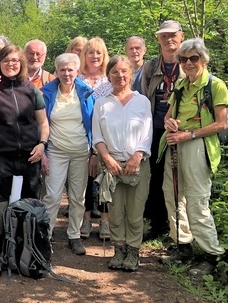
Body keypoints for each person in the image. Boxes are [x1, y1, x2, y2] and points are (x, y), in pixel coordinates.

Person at [0, 45, 49, 278]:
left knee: (28, 209)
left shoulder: (31, 90)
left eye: (16, 61)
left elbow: (43, 123)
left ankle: (25, 254)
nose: (11, 64)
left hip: (29, 157)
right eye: (6, 60)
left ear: (22, 63)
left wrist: (42, 145)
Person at [159, 38, 228, 278]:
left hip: (197, 145)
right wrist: (170, 123)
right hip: (174, 144)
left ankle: (211, 255)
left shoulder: (215, 85)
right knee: (173, 195)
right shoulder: (180, 84)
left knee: (197, 200)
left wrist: (188, 134)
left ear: (203, 59)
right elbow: (169, 115)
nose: (188, 63)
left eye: (193, 58)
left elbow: (221, 123)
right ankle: (183, 245)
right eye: (183, 59)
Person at [92, 55, 153, 272]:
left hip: (138, 165)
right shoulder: (102, 103)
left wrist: (137, 156)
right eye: (115, 72)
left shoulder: (142, 101)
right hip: (112, 166)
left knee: (135, 212)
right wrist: (107, 159)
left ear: (131, 74)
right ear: (108, 75)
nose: (120, 76)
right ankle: (119, 249)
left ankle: (133, 251)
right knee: (115, 212)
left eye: (124, 71)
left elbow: (148, 134)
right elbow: (97, 136)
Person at [41, 53, 95, 256]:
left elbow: (94, 123)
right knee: (52, 195)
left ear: (77, 71)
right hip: (55, 150)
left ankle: (74, 235)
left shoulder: (87, 93)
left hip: (81, 151)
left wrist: (95, 153)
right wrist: (43, 151)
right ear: (56, 71)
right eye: (62, 69)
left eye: (70, 69)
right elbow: (41, 123)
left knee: (78, 197)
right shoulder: (46, 93)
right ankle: (45, 235)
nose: (66, 73)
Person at [141, 20, 185, 242]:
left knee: (179, 181)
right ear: (158, 39)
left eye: (173, 35)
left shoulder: (189, 64)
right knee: (156, 179)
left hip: (181, 132)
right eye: (164, 36)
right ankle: (158, 225)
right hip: (155, 130)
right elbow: (140, 98)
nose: (169, 39)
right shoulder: (150, 68)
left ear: (181, 36)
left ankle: (179, 230)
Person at [78, 37, 113, 240]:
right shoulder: (77, 79)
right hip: (81, 136)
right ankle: (86, 219)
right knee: (86, 180)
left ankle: (105, 221)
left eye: (99, 52)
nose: (95, 56)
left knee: (104, 181)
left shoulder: (109, 80)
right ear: (84, 55)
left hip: (105, 138)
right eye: (90, 52)